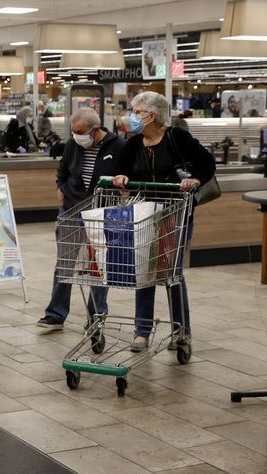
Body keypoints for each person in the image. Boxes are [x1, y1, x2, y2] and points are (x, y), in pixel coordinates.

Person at [111, 91, 216, 352]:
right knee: (144, 273)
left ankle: (181, 331)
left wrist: (195, 180)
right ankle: (141, 332)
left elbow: (207, 163)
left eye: (136, 112)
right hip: (144, 214)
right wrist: (120, 178)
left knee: (171, 274)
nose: (131, 117)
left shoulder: (176, 137)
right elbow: (120, 170)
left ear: (151, 115)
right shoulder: (133, 143)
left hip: (176, 215)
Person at [37, 108, 125, 330]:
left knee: (100, 266)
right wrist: (60, 187)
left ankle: (96, 314)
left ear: (96, 130)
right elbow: (63, 169)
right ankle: (56, 314)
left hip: (102, 212)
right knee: (64, 263)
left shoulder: (118, 146)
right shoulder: (72, 145)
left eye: (80, 131)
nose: (76, 136)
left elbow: (124, 176)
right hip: (71, 209)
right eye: (73, 131)